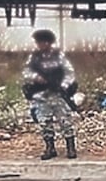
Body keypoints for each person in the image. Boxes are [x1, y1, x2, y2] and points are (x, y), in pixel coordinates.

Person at [21, 28, 78, 160]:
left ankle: (71, 148)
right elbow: (26, 72)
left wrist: (63, 86)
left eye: (42, 42)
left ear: (48, 42)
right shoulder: (34, 57)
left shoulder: (59, 56)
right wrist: (35, 77)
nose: (39, 45)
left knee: (65, 121)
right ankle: (50, 148)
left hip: (57, 94)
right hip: (40, 95)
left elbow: (69, 73)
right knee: (44, 122)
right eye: (38, 42)